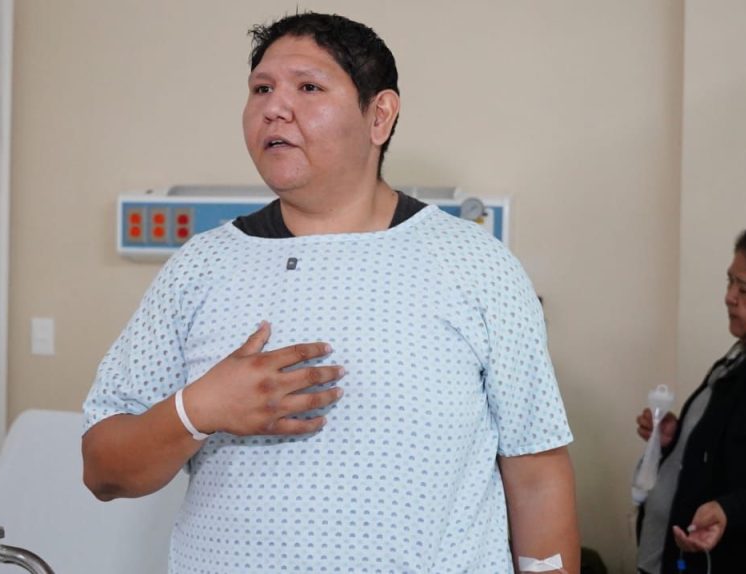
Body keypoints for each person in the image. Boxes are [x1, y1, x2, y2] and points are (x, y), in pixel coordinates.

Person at [82, 12, 579, 573]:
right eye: (261, 89)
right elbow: (103, 469)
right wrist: (199, 409)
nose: (274, 107)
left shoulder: (476, 265)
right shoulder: (200, 268)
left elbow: (537, 475)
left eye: (308, 88)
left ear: (379, 115)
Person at [635, 225, 746, 574]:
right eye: (730, 282)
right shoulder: (744, 353)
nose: (729, 297)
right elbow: (729, 450)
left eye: (744, 290)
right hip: (671, 554)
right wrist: (678, 439)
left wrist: (730, 510)